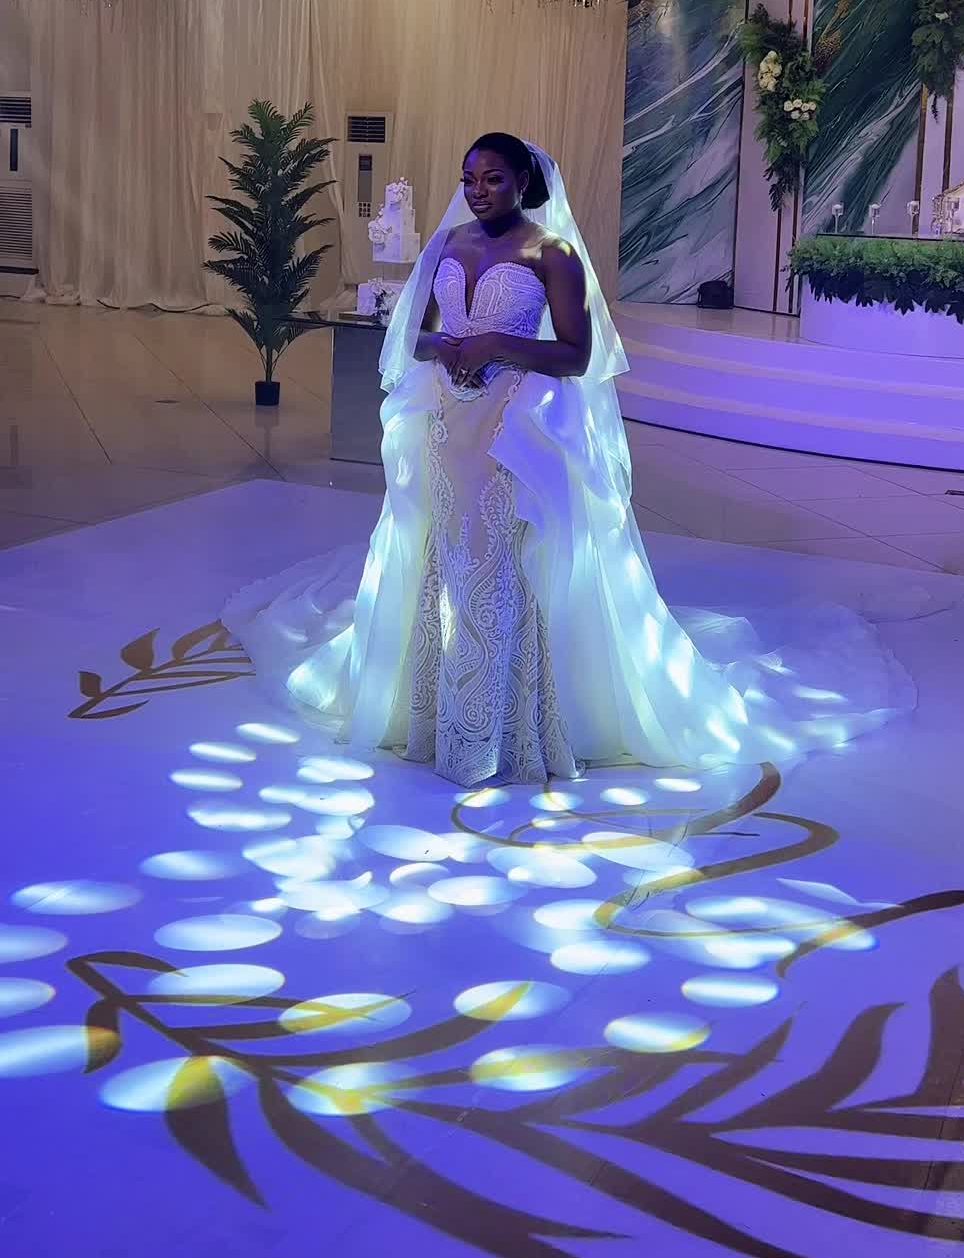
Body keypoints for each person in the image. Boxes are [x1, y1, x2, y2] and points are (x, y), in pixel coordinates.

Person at [225, 134, 913, 786]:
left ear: (523, 181)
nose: (478, 190)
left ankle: (499, 728)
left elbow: (577, 355)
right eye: (469, 179)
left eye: (493, 178)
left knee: (500, 565)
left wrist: (496, 345)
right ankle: (433, 714)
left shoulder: (551, 252)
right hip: (444, 423)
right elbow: (419, 337)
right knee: (443, 557)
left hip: (512, 427)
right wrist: (453, 350)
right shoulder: (450, 244)